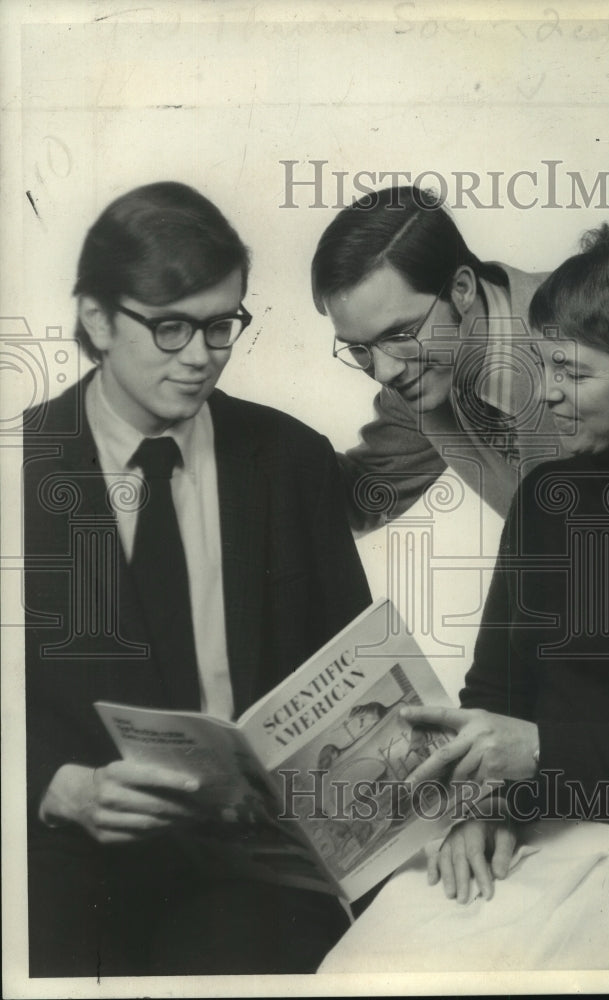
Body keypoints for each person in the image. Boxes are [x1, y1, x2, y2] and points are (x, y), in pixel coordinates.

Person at [319, 218, 609, 971]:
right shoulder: (544, 492)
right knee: (361, 962)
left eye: (572, 374)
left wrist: (539, 756)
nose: (550, 397)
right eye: (544, 367)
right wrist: (481, 804)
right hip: (554, 808)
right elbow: (499, 681)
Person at [24, 182, 371, 976]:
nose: (200, 355)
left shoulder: (291, 461)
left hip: (254, 871)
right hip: (65, 857)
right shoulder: (18, 466)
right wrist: (50, 787)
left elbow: (353, 684)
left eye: (222, 325)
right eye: (170, 325)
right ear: (98, 319)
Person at [312, 186, 609, 533]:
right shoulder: (416, 385)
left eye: (401, 334)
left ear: (462, 288)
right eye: (359, 348)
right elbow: (357, 499)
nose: (385, 370)